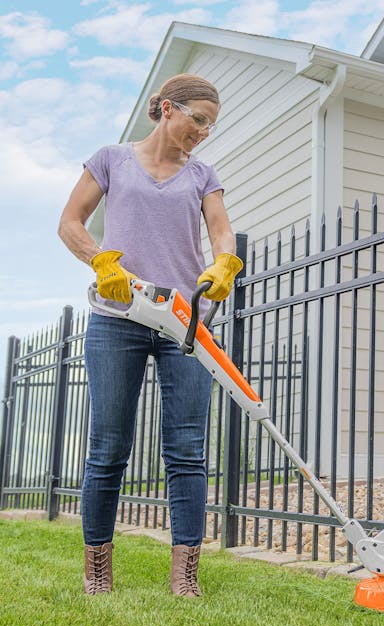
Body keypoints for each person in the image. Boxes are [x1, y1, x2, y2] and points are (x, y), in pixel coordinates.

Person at [58, 73, 242, 597]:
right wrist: (99, 261)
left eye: (211, 125)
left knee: (187, 450)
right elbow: (70, 221)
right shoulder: (112, 159)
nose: (203, 132)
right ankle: (98, 573)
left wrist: (225, 260)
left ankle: (185, 577)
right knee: (108, 447)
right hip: (118, 319)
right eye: (198, 120)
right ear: (167, 108)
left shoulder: (203, 174)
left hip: (183, 323)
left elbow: (220, 228)